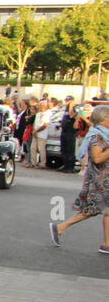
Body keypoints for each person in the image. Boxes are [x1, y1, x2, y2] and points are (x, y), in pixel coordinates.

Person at [50, 105, 109, 252]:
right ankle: (60, 227)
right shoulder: (96, 135)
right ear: (103, 119)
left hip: (104, 178)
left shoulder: (104, 134)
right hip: (100, 179)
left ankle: (107, 244)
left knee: (100, 209)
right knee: (99, 209)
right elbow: (97, 158)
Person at [60, 99, 79, 173]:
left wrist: (72, 108)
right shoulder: (66, 110)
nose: (67, 102)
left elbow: (74, 117)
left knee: (70, 151)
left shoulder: (76, 109)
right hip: (64, 131)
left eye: (69, 101)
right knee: (64, 150)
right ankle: (65, 165)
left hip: (71, 132)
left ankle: (70, 167)